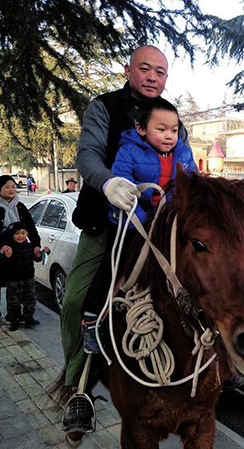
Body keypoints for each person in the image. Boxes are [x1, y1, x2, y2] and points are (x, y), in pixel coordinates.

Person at [60, 45, 190, 435]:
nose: (153, 77)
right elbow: (87, 156)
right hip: (109, 225)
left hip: (161, 228)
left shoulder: (171, 115)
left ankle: (210, 370)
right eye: (145, 69)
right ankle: (76, 387)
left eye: (160, 72)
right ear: (129, 69)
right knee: (76, 301)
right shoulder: (104, 107)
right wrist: (109, 182)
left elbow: (186, 163)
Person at [80, 97, 196, 353]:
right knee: (113, 266)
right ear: (141, 129)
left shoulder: (184, 153)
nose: (169, 136)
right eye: (161, 129)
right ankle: (90, 319)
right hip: (133, 223)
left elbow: (192, 185)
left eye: (174, 130)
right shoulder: (129, 151)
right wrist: (146, 220)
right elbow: (124, 188)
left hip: (167, 225)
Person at [0, 175, 42, 328]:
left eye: (13, 186)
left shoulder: (19, 206)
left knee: (16, 283)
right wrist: (1, 247)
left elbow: (30, 227)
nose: (11, 189)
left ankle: (15, 314)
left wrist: (36, 244)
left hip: (16, 251)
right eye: (7, 187)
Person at [0, 222, 49, 331]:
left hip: (28, 277)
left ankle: (28, 318)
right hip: (13, 279)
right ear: (12, 235)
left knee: (30, 299)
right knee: (13, 301)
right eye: (17, 234)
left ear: (27, 233)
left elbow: (37, 259)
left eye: (23, 233)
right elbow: (2, 263)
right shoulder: (8, 247)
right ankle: (14, 320)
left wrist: (39, 254)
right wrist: (7, 256)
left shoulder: (30, 245)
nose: (20, 236)